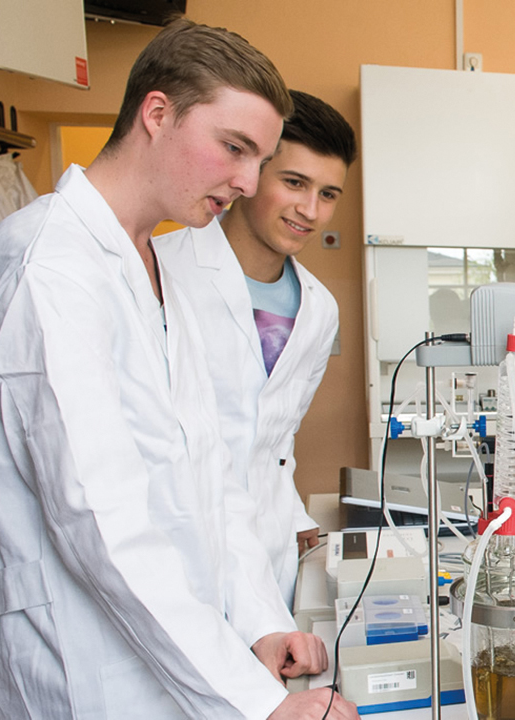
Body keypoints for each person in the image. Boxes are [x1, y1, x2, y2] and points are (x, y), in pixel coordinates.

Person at [0, 20, 358, 719]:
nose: (247, 182)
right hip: (80, 667)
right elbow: (100, 517)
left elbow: (211, 473)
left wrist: (258, 621)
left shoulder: (151, 266)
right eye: (234, 148)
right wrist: (259, 703)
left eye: (258, 158)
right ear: (156, 114)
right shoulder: (51, 265)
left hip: (175, 653)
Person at [156, 89, 351, 608]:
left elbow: (276, 438)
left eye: (328, 194)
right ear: (252, 173)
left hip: (268, 551)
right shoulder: (161, 269)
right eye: (294, 182)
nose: (310, 210)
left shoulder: (319, 308)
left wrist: (291, 516)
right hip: (174, 547)